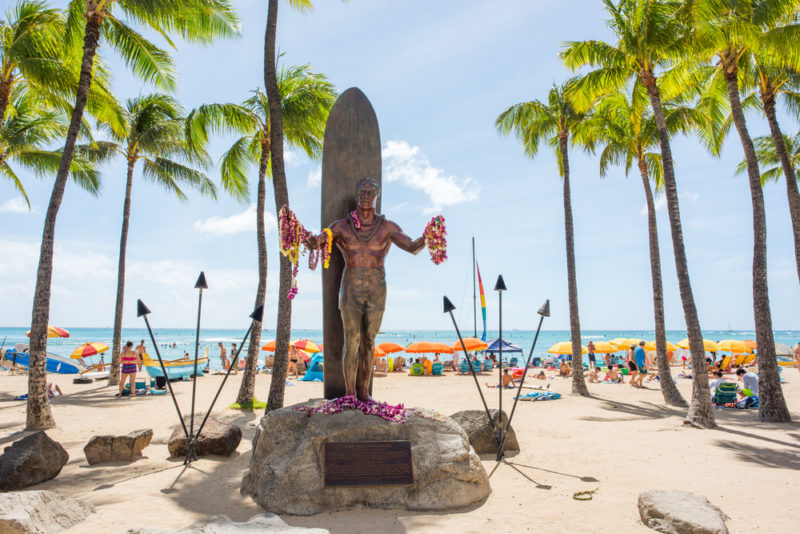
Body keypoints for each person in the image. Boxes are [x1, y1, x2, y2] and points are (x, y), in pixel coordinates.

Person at [306, 178, 426, 401]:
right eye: (362, 191)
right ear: (357, 194)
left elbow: (413, 247)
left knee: (369, 341)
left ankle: (364, 393)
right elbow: (322, 240)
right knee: (352, 340)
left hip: (377, 286)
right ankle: (350, 394)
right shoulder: (341, 226)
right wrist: (311, 240)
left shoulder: (387, 227)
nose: (366, 196)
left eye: (371, 192)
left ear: (377, 196)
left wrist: (428, 236)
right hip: (351, 285)